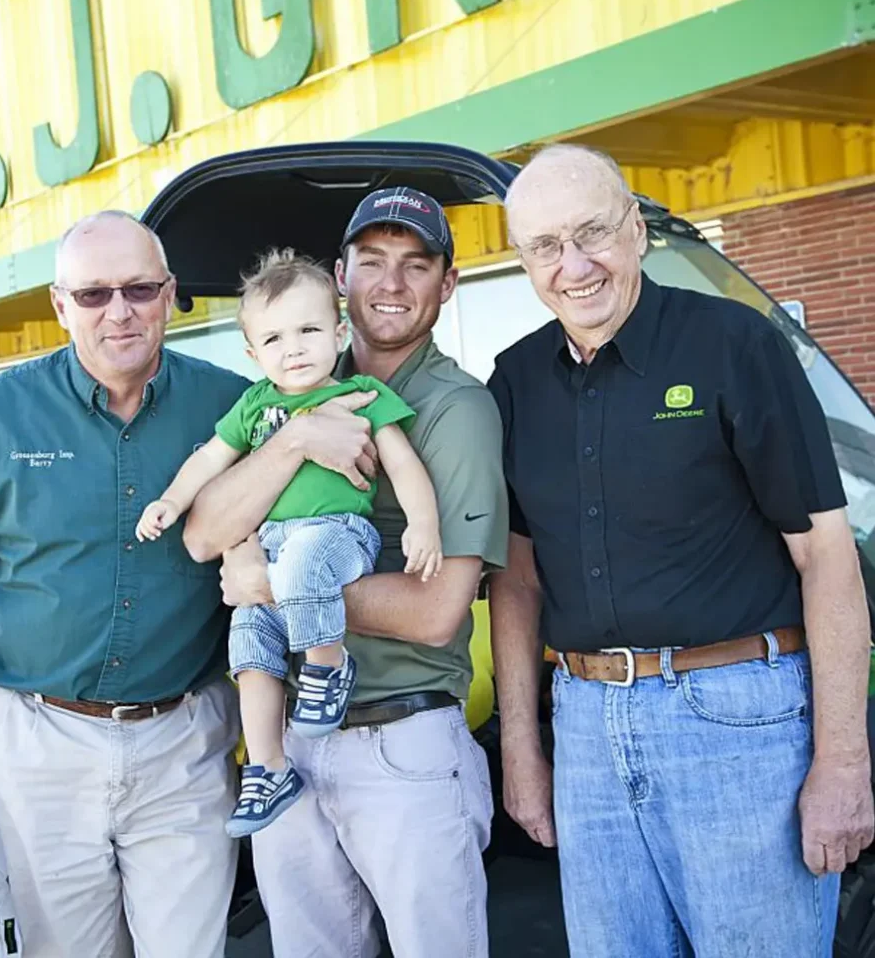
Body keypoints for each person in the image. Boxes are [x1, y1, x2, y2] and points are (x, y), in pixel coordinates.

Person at [487, 143, 875, 957]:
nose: (573, 265)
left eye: (592, 232)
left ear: (636, 228)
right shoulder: (515, 381)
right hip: (586, 728)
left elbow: (826, 555)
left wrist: (843, 761)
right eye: (546, 246)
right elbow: (518, 581)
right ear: (523, 260)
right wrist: (522, 748)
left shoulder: (735, 346)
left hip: (739, 723)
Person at [0, 210, 250, 958]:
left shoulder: (232, 408)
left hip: (184, 735)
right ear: (60, 305)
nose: (120, 312)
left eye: (140, 289)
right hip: (40, 740)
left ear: (170, 294)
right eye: (93, 295)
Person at [182, 187, 509, 958]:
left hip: (400, 742)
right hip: (293, 743)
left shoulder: (454, 408)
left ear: (447, 283)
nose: (391, 284)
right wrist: (296, 441)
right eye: (372, 262)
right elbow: (201, 535)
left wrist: (273, 585)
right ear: (340, 279)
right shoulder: (282, 393)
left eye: (415, 264)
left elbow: (437, 611)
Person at [135, 249, 442, 837]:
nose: (293, 349)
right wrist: (171, 502)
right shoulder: (255, 405)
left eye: (308, 331)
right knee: (248, 634)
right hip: (274, 545)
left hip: (338, 535)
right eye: (274, 339)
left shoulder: (360, 394)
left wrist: (422, 524)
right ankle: (269, 767)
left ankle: (328, 667)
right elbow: (210, 459)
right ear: (253, 354)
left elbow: (403, 465)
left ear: (339, 332)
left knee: (301, 563)